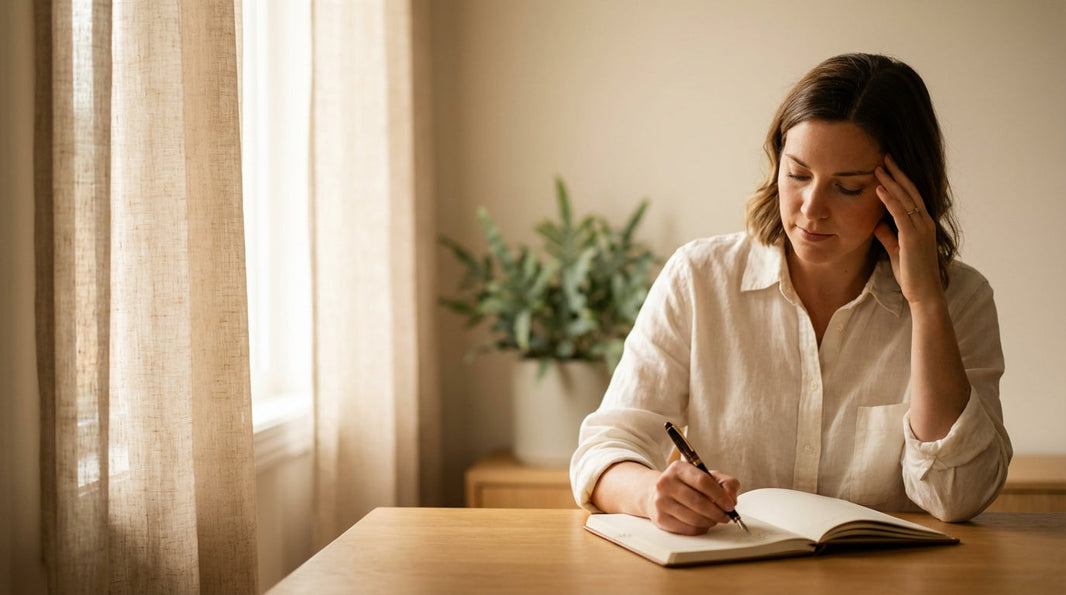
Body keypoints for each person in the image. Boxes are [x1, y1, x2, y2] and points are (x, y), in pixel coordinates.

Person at [569, 53, 1012, 535]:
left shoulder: (960, 298)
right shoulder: (698, 278)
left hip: (887, 573)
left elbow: (957, 496)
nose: (811, 208)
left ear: (906, 192)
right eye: (798, 175)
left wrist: (926, 304)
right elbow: (602, 452)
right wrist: (653, 495)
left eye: (847, 188)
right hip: (733, 569)